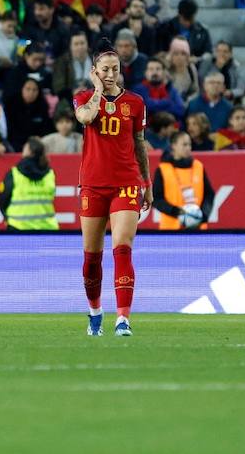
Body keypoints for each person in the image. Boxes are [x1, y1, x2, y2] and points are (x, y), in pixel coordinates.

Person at [73, 41, 152, 337]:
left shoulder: (135, 103)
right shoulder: (83, 98)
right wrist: (96, 90)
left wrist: (147, 183)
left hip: (126, 183)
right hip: (93, 185)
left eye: (115, 69)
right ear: (94, 71)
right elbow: (86, 118)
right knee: (92, 258)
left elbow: (139, 144)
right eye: (105, 69)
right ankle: (95, 311)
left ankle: (123, 319)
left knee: (122, 248)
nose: (110, 74)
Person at [153, 131, 217, 230]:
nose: (188, 148)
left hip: (198, 229)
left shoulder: (198, 166)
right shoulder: (163, 169)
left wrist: (203, 215)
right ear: (173, 145)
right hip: (170, 229)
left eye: (189, 144)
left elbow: (209, 194)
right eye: (184, 144)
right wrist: (176, 211)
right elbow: (156, 199)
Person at [0, 137, 57, 232]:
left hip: (18, 226)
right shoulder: (50, 173)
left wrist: (7, 217)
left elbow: (2, 199)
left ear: (29, 151)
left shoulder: (15, 173)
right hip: (47, 227)